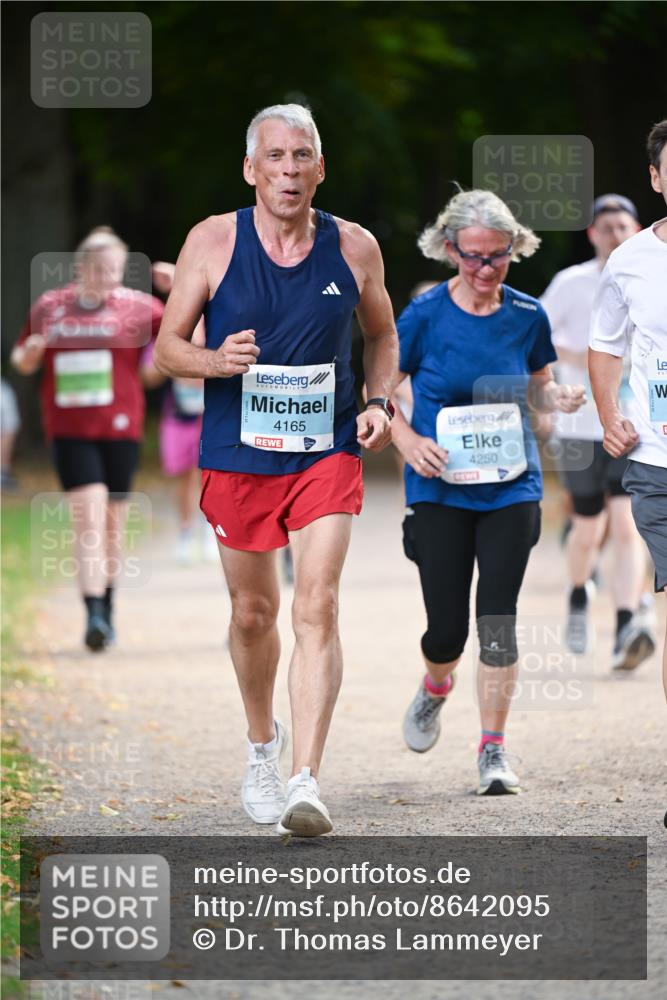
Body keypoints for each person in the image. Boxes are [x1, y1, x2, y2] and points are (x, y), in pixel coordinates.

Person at [153, 104, 398, 837]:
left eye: (302, 157)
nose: (289, 171)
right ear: (250, 169)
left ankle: (306, 780)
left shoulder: (354, 248)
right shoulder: (213, 240)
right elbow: (168, 347)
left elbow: (382, 334)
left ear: (320, 167)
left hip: (324, 451)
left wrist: (380, 402)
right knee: (253, 614)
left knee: (315, 604)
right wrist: (212, 360)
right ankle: (264, 744)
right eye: (276, 158)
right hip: (238, 455)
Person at [391, 189, 585, 795]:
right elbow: (380, 391)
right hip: (438, 489)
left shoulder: (527, 314)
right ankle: (435, 685)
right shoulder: (423, 317)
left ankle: (493, 751)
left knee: (497, 620)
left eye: (496, 257)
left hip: (510, 488)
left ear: (513, 250)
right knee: (446, 631)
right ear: (450, 250)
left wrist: (558, 398)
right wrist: (406, 440)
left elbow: (538, 383)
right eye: (472, 256)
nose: (483, 270)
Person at [11, 227, 164, 650]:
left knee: (112, 524)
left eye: (115, 269)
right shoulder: (52, 306)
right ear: (80, 268)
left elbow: (175, 336)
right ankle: (93, 612)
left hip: (121, 429)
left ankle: (107, 611)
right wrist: (31, 354)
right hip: (70, 430)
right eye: (99, 268)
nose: (107, 276)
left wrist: (157, 365)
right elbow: (21, 359)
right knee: (88, 518)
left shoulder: (140, 308)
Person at [541, 195, 656, 669]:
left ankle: (627, 624)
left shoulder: (651, 276)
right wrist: (572, 367)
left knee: (627, 527)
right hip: (580, 425)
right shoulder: (571, 284)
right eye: (605, 227)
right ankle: (577, 593)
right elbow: (536, 340)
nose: (614, 234)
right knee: (587, 528)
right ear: (592, 234)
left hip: (637, 425)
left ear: (637, 230)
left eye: (622, 226)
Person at [589, 119, 667, 707]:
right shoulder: (630, 260)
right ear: (656, 178)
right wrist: (610, 414)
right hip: (658, 461)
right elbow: (606, 344)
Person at [142, 261, 215, 564]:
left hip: (209, 415)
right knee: (184, 478)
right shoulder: (163, 336)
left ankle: (211, 530)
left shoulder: (213, 331)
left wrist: (176, 280)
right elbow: (147, 376)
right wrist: (170, 361)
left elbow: (199, 338)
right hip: (178, 416)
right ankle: (186, 533)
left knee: (209, 476)